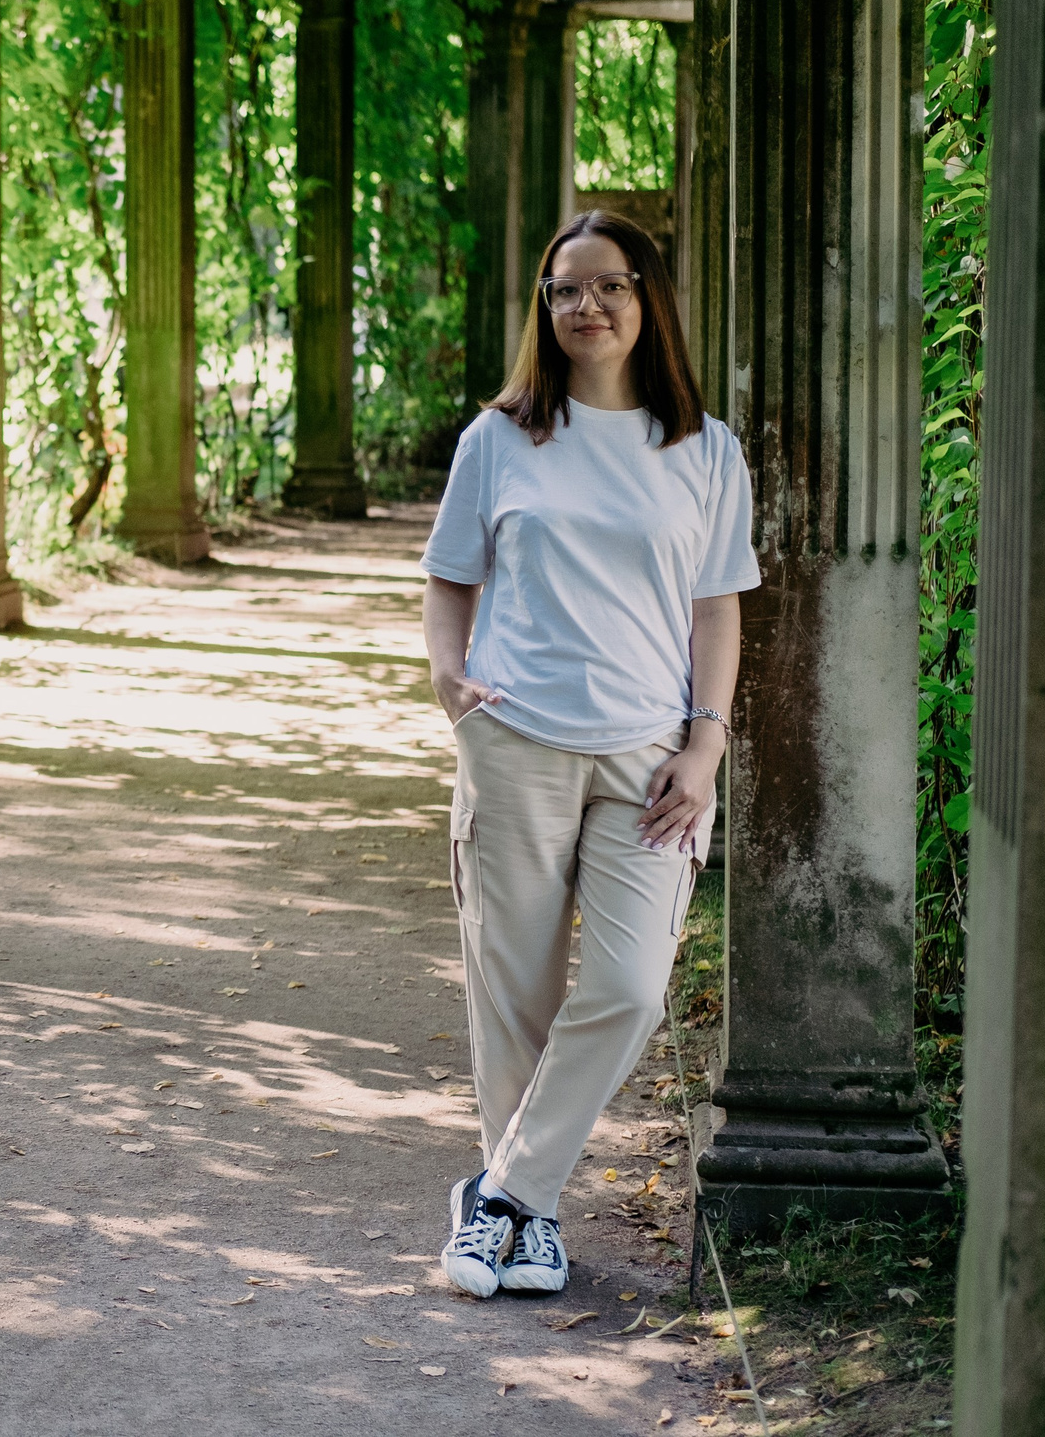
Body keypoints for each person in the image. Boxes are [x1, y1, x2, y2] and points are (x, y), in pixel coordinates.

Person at [418, 209, 758, 1297]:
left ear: (647, 299)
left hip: (649, 755)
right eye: (564, 291)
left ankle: (500, 1195)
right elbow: (448, 577)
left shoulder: (703, 450)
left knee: (625, 987)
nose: (585, 307)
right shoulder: (498, 438)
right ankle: (538, 1216)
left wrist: (706, 747)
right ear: (545, 307)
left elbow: (717, 611)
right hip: (516, 742)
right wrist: (445, 677)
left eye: (607, 286)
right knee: (513, 995)